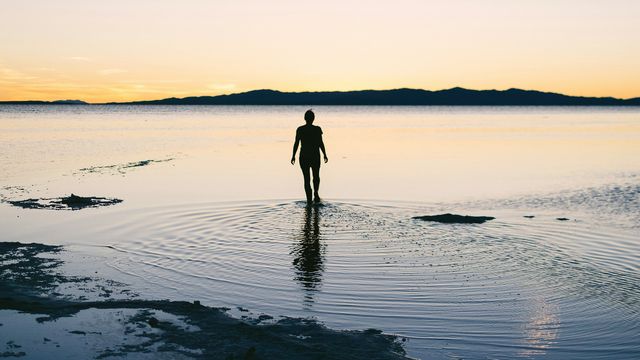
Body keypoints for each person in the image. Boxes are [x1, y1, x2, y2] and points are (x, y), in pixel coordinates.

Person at [291, 109, 328, 204]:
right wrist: (324, 154)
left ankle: (309, 200)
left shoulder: (300, 129)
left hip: (304, 156)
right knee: (316, 176)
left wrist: (293, 156)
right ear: (313, 119)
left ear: (305, 118)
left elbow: (296, 143)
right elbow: (320, 143)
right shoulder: (317, 129)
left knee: (306, 179)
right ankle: (315, 193)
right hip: (315, 156)